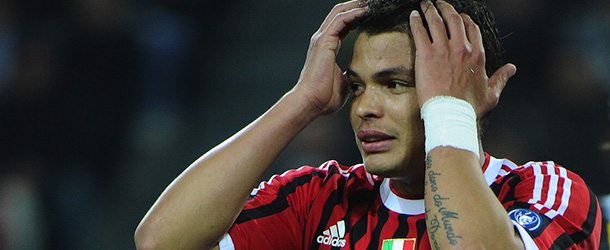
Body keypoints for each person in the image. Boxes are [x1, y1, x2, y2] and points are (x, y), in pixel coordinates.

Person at [134, 0, 602, 249]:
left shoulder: (545, 192)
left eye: (396, 84)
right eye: (357, 86)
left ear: (473, 92)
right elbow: (161, 242)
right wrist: (301, 103)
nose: (363, 109)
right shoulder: (321, 200)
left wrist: (447, 108)